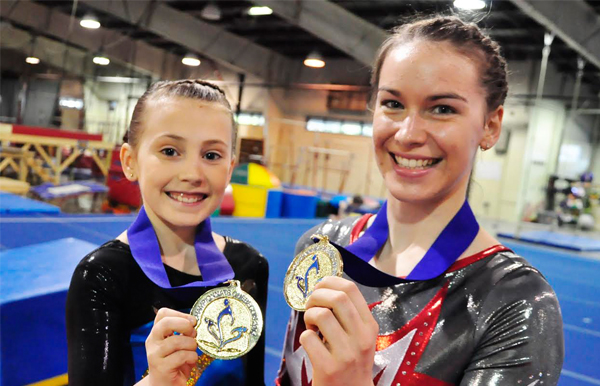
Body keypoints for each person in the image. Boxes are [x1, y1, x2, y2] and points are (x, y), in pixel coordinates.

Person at [277, 16, 563, 386]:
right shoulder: (323, 248)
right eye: (393, 103)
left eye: (442, 109)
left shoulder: (515, 302)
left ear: (490, 126)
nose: (408, 133)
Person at [66, 80, 268, 386]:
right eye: (170, 150)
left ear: (229, 169)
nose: (192, 174)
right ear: (130, 161)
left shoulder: (249, 266)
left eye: (211, 155)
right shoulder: (103, 275)